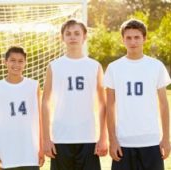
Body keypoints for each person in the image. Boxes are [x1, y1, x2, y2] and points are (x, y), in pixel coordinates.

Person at [104, 19, 171, 170]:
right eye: (128, 37)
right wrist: (112, 140)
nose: (133, 41)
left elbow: (164, 104)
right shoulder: (114, 68)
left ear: (144, 38)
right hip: (123, 142)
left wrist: (166, 138)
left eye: (137, 37)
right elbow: (109, 107)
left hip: (151, 141)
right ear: (123, 40)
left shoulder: (156, 66)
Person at [42, 19, 107, 170]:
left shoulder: (95, 66)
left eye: (77, 33)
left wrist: (103, 136)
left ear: (85, 37)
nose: (72, 37)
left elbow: (103, 103)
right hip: (61, 137)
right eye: (68, 34)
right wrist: (46, 138)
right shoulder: (54, 66)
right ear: (62, 37)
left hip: (88, 137)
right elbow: (45, 101)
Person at [0, 46, 44, 170]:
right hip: (7, 151)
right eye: (12, 60)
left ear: (25, 63)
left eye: (20, 61)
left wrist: (41, 147)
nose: (16, 64)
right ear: (5, 62)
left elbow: (39, 118)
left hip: (30, 151)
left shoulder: (33, 86)